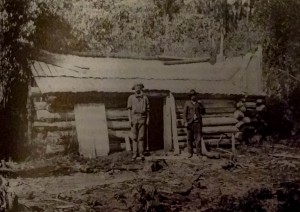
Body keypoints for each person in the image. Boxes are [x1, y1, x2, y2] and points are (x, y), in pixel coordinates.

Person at [127, 83, 150, 160]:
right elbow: (129, 110)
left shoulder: (145, 98)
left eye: (139, 88)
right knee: (134, 137)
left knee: (141, 137)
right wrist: (130, 119)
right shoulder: (131, 98)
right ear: (134, 89)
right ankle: (134, 154)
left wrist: (147, 119)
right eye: (136, 88)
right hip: (134, 118)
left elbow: (148, 110)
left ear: (141, 89)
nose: (138, 89)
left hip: (142, 118)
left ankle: (141, 153)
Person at [183, 89, 205, 158]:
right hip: (190, 123)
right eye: (192, 95)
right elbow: (184, 114)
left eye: (194, 95)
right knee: (189, 138)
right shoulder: (187, 103)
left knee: (198, 139)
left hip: (197, 123)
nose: (193, 96)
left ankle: (199, 153)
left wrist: (201, 106)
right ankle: (190, 153)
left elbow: (203, 112)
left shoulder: (199, 104)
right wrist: (185, 122)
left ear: (196, 96)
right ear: (190, 96)